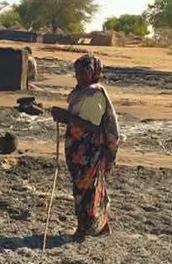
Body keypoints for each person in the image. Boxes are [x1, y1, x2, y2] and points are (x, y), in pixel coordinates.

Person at [51, 54, 120, 239]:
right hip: (80, 148)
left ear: (94, 72)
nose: (80, 74)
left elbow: (92, 125)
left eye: (85, 70)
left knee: (86, 188)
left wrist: (65, 117)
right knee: (88, 187)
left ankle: (86, 228)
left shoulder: (94, 93)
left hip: (90, 150)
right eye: (77, 71)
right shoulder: (81, 91)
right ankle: (101, 226)